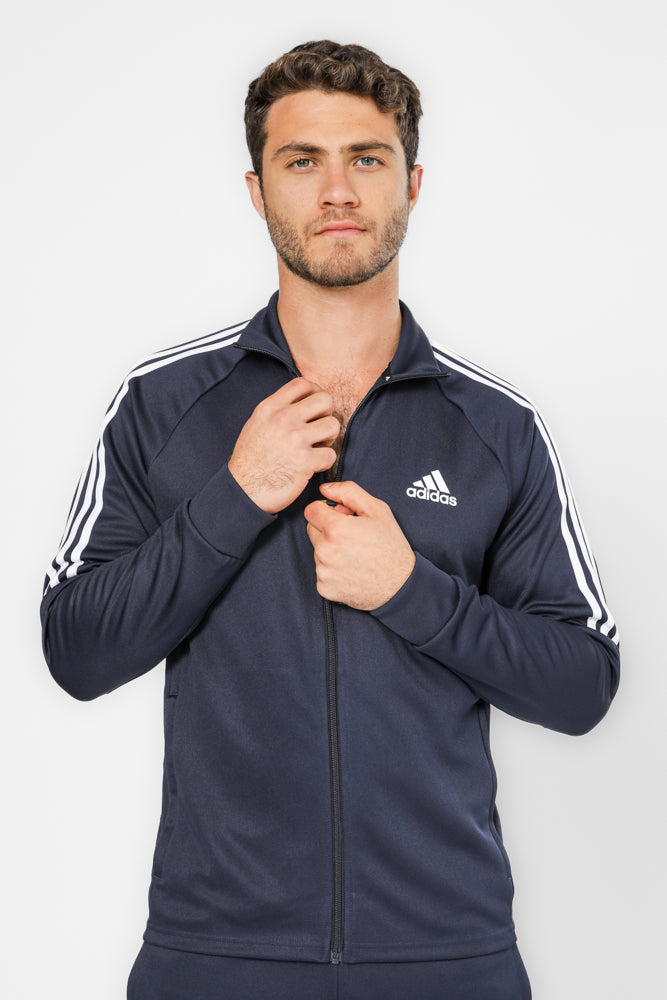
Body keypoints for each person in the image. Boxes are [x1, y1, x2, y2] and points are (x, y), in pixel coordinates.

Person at [41, 40, 620, 1000]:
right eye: (302, 160)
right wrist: (235, 495)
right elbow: (77, 652)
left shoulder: (495, 428)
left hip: (447, 956)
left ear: (412, 183)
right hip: (213, 954)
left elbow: (581, 685)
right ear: (257, 189)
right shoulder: (162, 404)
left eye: (367, 158)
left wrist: (411, 592)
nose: (337, 190)